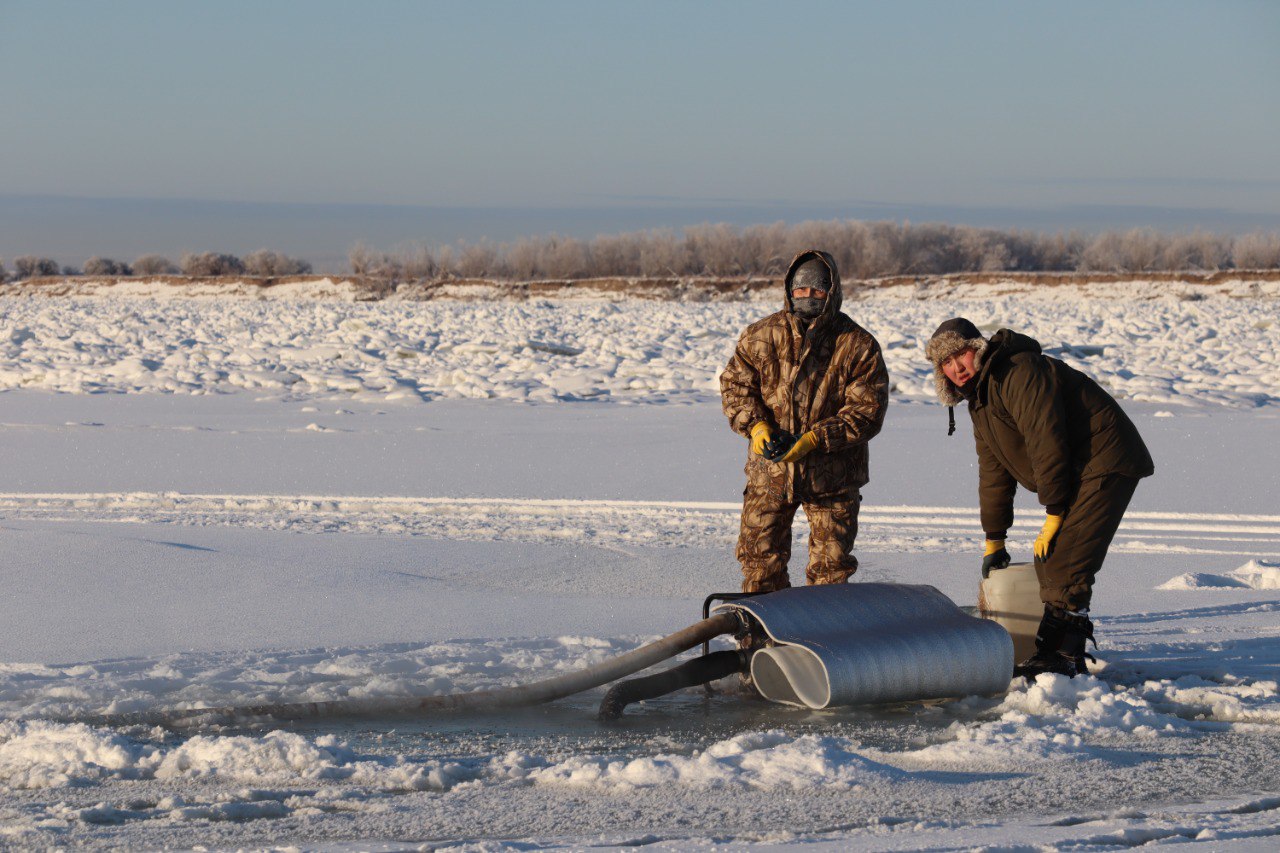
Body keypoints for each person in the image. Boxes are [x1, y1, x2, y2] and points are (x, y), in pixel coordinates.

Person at [925, 317, 1154, 678]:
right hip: (1079, 469)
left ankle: (1063, 655)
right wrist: (994, 539)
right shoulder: (980, 402)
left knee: (1067, 558)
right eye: (946, 364)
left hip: (1106, 457)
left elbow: (1045, 439)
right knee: (1048, 561)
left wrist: (1055, 511)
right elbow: (994, 472)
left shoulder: (1019, 371)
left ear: (977, 347)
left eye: (961, 355)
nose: (957, 368)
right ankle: (1053, 651)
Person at [720, 249, 890, 594]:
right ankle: (760, 642)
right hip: (770, 474)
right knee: (759, 564)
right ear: (789, 290)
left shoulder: (857, 344)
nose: (808, 297)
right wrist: (757, 426)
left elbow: (867, 411)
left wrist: (815, 439)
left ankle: (824, 642)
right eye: (801, 290)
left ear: (832, 292)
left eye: (817, 291)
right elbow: (735, 387)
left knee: (831, 572)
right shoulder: (760, 336)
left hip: (833, 478)